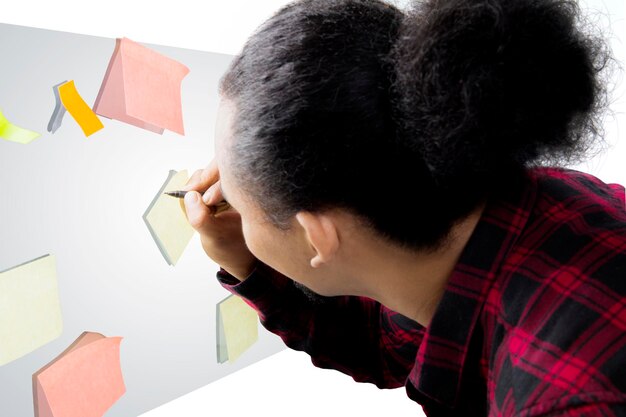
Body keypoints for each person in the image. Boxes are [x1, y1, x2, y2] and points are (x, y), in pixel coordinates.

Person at [182, 0, 626, 415]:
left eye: (236, 198)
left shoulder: (570, 400)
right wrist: (245, 260)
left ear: (316, 235)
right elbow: (384, 339)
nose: (221, 196)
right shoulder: (500, 207)